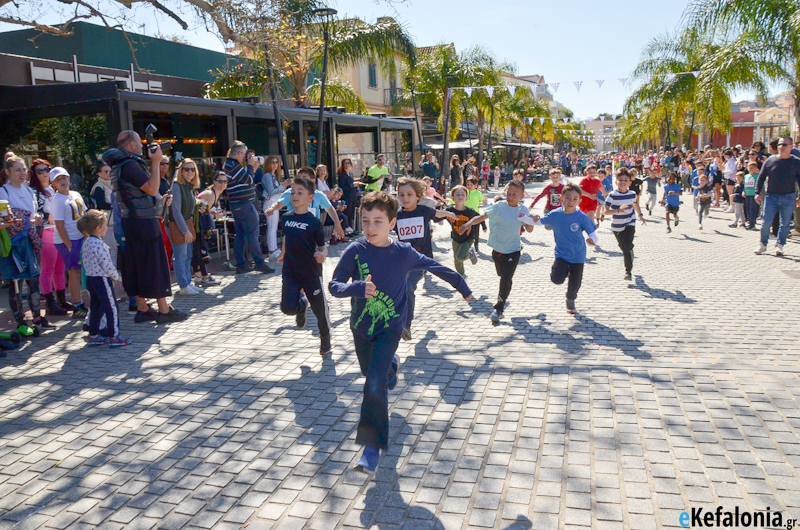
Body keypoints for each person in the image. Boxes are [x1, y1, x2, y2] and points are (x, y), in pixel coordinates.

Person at [328, 191, 471, 474]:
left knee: (373, 385)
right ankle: (392, 365)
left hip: (390, 328)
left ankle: (371, 448)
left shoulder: (403, 252)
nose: (370, 228)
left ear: (392, 223)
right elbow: (334, 286)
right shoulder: (355, 250)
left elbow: (435, 266)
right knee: (373, 375)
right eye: (366, 221)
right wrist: (356, 288)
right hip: (361, 328)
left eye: (378, 221)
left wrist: (461, 286)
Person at [104, 130, 187, 324]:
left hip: (131, 220)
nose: (142, 146)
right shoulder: (130, 164)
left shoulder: (118, 165)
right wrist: (156, 162)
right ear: (131, 145)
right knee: (155, 263)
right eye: (139, 143)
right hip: (144, 221)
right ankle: (164, 310)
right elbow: (151, 188)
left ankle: (142, 307)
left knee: (136, 264)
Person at [459, 179, 532, 323]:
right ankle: (503, 294)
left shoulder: (523, 210)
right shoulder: (499, 206)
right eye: (509, 193)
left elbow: (529, 229)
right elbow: (481, 217)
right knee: (501, 274)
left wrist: (530, 220)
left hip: (514, 250)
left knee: (506, 278)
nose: (510, 197)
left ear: (521, 196)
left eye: (514, 194)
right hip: (498, 249)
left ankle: (499, 307)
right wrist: (468, 223)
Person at [394, 177, 456, 340]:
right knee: (398, 290)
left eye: (409, 194)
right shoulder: (397, 215)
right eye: (401, 195)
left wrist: (449, 213)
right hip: (402, 261)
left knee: (408, 286)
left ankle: (406, 326)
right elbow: (384, 227)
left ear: (418, 196)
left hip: (421, 259)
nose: (405, 198)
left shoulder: (423, 211)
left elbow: (438, 213)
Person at [276, 177, 331, 355]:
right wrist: (283, 253)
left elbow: (323, 246)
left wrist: (322, 255)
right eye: (292, 192)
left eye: (300, 192)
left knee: (320, 310)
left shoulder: (314, 223)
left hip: (310, 272)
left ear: (310, 198)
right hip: (291, 270)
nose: (295, 195)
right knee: (287, 308)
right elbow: (287, 238)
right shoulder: (285, 218)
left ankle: (325, 339)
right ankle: (301, 307)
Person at [531, 184, 598, 314]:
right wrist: (526, 217)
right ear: (561, 198)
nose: (571, 201)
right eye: (568, 198)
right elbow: (538, 222)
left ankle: (570, 299)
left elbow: (593, 234)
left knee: (575, 283)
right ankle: (565, 271)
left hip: (578, 255)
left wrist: (592, 240)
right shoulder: (555, 214)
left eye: (575, 199)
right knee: (556, 279)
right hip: (561, 254)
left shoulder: (581, 216)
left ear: (579, 201)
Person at [0, 156, 49, 332]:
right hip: (15, 243)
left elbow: (37, 214)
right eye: (17, 170)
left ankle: (37, 317)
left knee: (34, 279)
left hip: (31, 240)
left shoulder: (30, 191)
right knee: (16, 281)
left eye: (24, 170)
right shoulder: (3, 192)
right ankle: (20, 320)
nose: (22, 173)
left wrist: (38, 218)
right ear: (7, 172)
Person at [77, 209, 131, 347]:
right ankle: (114, 336)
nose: (107, 227)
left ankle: (94, 335)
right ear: (98, 228)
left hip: (91, 279)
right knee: (112, 308)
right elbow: (107, 265)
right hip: (101, 279)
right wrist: (117, 277)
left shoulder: (87, 242)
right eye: (105, 224)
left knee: (96, 307)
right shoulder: (100, 244)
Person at [222, 141, 274, 275]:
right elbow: (249, 180)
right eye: (245, 155)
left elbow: (243, 180)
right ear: (239, 153)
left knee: (240, 235)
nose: (246, 158)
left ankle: (241, 264)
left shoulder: (229, 165)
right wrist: (250, 166)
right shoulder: (233, 166)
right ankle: (259, 263)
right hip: (244, 204)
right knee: (252, 234)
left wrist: (251, 167)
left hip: (237, 204)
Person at [28, 158, 69, 315]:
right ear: (34, 174)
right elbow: (34, 212)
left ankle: (61, 300)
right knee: (47, 269)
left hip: (59, 231)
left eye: (47, 169)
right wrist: (47, 215)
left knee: (60, 268)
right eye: (40, 171)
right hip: (45, 231)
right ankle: (50, 303)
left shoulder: (55, 189)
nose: (44, 173)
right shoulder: (33, 192)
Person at [266, 167, 345, 240]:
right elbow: (279, 204)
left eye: (304, 178)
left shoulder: (319, 195)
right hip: (295, 230)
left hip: (312, 231)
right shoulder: (291, 192)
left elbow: (330, 208)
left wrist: (337, 224)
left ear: (313, 181)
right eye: (299, 178)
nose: (301, 180)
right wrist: (272, 208)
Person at [50, 167, 88, 317]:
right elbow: (59, 225)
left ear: (69, 179)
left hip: (80, 237)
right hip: (67, 241)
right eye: (58, 180)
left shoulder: (76, 194)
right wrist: (70, 246)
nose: (62, 182)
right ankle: (77, 306)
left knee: (82, 271)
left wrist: (87, 235)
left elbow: (83, 216)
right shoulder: (57, 201)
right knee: (74, 272)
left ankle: (83, 302)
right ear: (53, 184)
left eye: (63, 178)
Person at [754, 136, 800, 256]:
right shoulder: (770, 161)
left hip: (788, 197)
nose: (781, 147)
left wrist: (799, 196)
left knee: (784, 224)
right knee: (766, 222)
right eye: (779, 145)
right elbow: (761, 177)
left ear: (791, 147)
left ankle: (780, 245)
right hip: (771, 196)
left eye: (784, 145)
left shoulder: (796, 162)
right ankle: (762, 244)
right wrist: (757, 192)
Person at [603, 168, 646, 281]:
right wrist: (618, 210)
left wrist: (640, 215)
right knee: (624, 247)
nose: (623, 182)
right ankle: (629, 251)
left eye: (626, 180)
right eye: (620, 180)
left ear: (630, 182)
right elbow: (605, 211)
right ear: (616, 181)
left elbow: (635, 204)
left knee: (627, 247)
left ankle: (628, 272)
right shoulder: (612, 195)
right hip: (617, 225)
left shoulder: (632, 194)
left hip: (630, 222)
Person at [169, 158, 202, 296]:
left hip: (187, 222)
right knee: (180, 256)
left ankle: (187, 282)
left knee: (188, 255)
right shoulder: (177, 186)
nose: (190, 172)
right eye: (187, 169)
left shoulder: (189, 187)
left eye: (193, 169)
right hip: (177, 224)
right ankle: (183, 285)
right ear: (181, 171)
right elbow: (176, 211)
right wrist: (185, 231)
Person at [194, 172, 227, 285]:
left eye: (225, 181)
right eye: (220, 181)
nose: (222, 184)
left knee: (199, 251)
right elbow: (199, 213)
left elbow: (202, 209)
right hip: (195, 226)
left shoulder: (214, 194)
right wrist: (214, 216)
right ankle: (203, 276)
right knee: (199, 251)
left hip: (197, 226)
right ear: (214, 182)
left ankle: (201, 275)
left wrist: (211, 213)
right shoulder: (211, 195)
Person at [261, 156, 292, 260]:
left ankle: (274, 248)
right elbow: (271, 191)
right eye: (272, 162)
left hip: (275, 201)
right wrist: (283, 186)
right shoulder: (267, 176)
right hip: (270, 201)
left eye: (276, 162)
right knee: (271, 227)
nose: (275, 164)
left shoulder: (273, 175)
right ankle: (271, 250)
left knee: (274, 227)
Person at [445, 185, 480, 277]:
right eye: (457, 194)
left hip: (468, 238)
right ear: (452, 198)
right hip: (456, 238)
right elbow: (439, 216)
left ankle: (470, 254)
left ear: (466, 198)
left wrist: (483, 227)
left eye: (462, 194)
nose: (460, 196)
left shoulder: (470, 211)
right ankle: (461, 276)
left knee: (461, 256)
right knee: (457, 259)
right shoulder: (449, 210)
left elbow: (479, 218)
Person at [90, 163, 118, 267]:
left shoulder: (111, 185)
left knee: (113, 249)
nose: (109, 174)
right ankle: (111, 275)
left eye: (110, 171)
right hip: (104, 223)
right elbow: (100, 205)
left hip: (113, 222)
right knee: (111, 249)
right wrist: (114, 206)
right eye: (106, 171)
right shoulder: (99, 187)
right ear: (99, 174)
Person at [464, 177, 487, 252]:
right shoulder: (464, 192)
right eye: (468, 184)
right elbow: (457, 200)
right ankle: (467, 246)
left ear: (476, 185)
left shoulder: (478, 193)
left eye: (471, 184)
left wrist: (485, 200)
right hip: (465, 215)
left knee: (476, 231)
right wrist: (449, 200)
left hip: (475, 215)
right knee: (466, 231)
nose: (469, 186)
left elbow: (484, 202)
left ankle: (476, 244)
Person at [337, 159, 359, 232]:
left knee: (351, 215)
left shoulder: (350, 173)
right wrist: (351, 185)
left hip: (353, 196)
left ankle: (350, 230)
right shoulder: (342, 175)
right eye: (345, 163)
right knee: (347, 214)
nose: (347, 164)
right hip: (346, 197)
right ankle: (345, 230)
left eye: (348, 163)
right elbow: (341, 187)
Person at [743, 161, 759, 230]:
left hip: (753, 194)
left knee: (753, 209)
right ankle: (749, 222)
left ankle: (752, 224)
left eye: (753, 168)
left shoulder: (757, 176)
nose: (751, 169)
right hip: (747, 194)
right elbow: (744, 185)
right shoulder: (746, 176)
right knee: (748, 209)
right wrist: (743, 191)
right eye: (749, 167)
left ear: (755, 168)